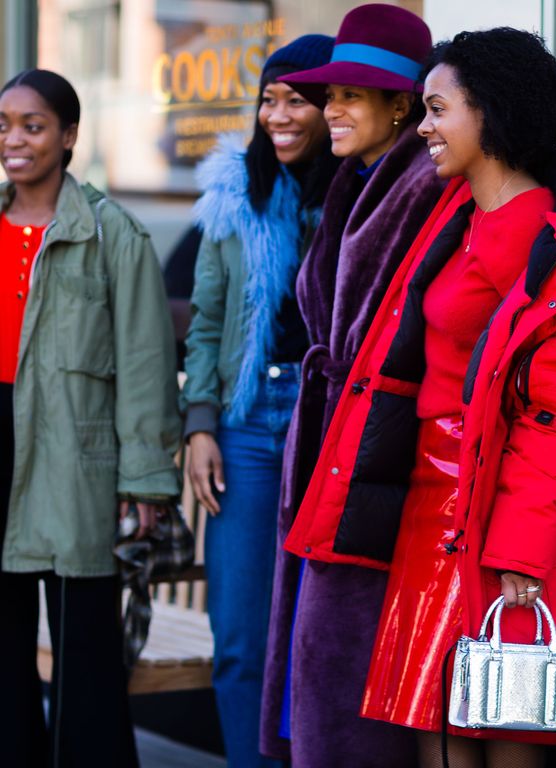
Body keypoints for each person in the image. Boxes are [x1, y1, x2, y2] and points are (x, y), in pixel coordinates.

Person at [282, 28, 556, 768]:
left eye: (438, 110)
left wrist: (521, 554)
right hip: (433, 510)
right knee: (438, 728)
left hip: (497, 521)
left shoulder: (551, 246)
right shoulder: (458, 218)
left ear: (491, 115)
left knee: (502, 728)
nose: (425, 127)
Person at [258, 6, 446, 767]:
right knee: (319, 665)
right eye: (326, 92)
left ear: (402, 105)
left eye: (350, 95)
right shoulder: (358, 182)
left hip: (380, 466)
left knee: (349, 673)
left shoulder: (422, 186)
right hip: (333, 448)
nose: (328, 107)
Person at [0, 68, 180, 767]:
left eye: (33, 125)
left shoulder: (115, 235)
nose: (15, 140)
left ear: (69, 136)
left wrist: (145, 484)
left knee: (85, 652)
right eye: (5, 125)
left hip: (73, 456)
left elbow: (142, 366)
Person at [180, 34, 338, 768]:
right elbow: (208, 321)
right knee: (240, 634)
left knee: (316, 629)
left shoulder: (359, 196)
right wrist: (201, 424)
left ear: (331, 106)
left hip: (329, 426)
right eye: (268, 99)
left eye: (295, 99)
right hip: (245, 427)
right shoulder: (234, 191)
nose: (278, 114)